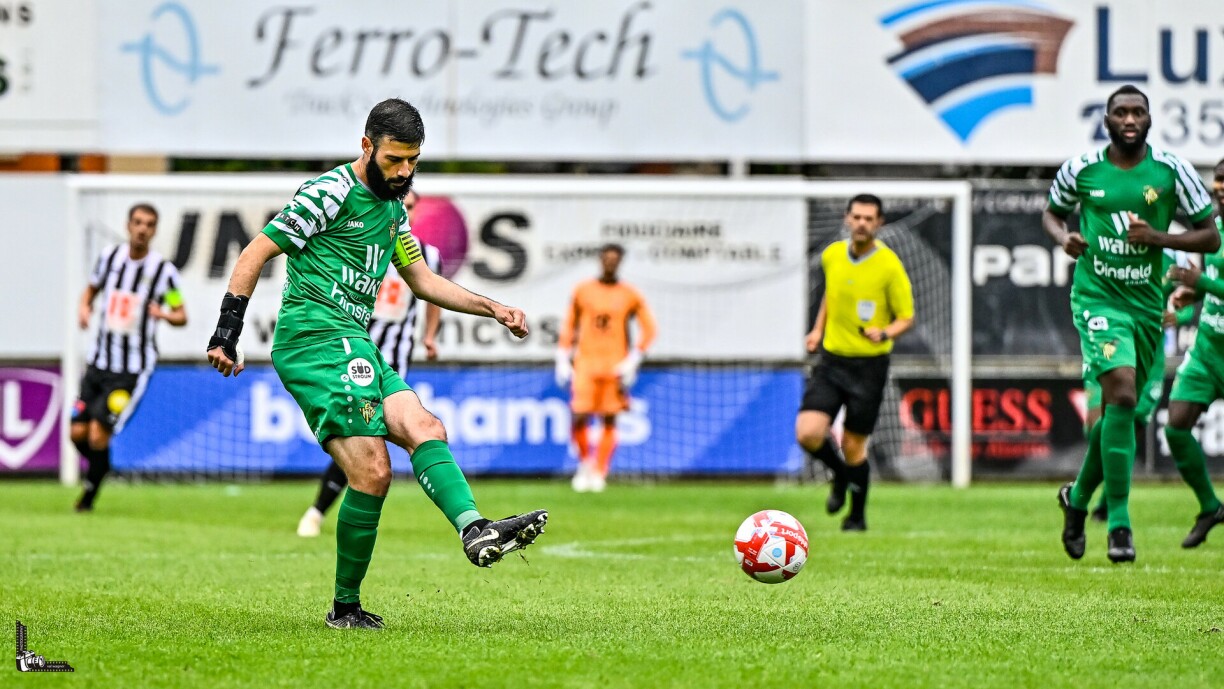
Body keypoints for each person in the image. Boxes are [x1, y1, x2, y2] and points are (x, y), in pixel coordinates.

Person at [206, 98, 547, 630]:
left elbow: (423, 281)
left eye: (413, 160)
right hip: (314, 342)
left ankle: (473, 528)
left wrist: (493, 308)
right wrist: (227, 331)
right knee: (373, 469)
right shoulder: (329, 193)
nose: (405, 171)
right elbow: (254, 253)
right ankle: (344, 606)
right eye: (395, 159)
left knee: (425, 427)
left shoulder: (394, 209)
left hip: (353, 344)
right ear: (367, 146)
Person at [1046, 85, 1219, 564]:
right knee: (1120, 392)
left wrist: (1159, 236)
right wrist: (1065, 237)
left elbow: (1208, 234)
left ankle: (1078, 499)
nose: (1128, 118)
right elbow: (1051, 213)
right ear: (1106, 120)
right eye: (1120, 111)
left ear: (1148, 120)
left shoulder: (1171, 170)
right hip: (1097, 297)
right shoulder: (1081, 169)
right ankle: (1119, 525)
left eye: (1137, 111)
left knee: (1121, 410)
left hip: (1146, 306)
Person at [297, 189, 443, 538]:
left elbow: (431, 295)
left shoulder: (425, 255)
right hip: (352, 355)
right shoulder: (363, 242)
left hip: (392, 362)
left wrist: (430, 335)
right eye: (400, 204)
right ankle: (318, 512)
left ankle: (318, 512)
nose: (402, 210)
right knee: (359, 436)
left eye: (409, 207)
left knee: (371, 435)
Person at [796, 194, 914, 532]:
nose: (862, 223)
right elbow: (831, 296)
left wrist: (886, 330)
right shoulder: (833, 255)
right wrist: (817, 330)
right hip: (832, 361)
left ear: (880, 224)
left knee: (853, 445)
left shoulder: (889, 265)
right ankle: (840, 474)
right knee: (808, 433)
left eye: (869, 218)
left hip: (869, 367)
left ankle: (857, 517)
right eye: (857, 217)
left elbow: (906, 317)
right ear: (847, 219)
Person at [71, 203, 187, 511]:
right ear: (128, 225)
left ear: (154, 230)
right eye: (137, 222)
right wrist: (84, 307)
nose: (142, 229)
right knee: (77, 432)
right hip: (98, 362)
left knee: (97, 433)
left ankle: (88, 497)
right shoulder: (110, 258)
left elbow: (180, 314)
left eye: (149, 224)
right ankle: (101, 467)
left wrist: (162, 312)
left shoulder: (163, 273)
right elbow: (91, 290)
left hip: (130, 371)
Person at [1084, 249, 1195, 522]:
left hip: (1149, 354)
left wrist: (1176, 316)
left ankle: (1107, 499)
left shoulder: (1171, 261)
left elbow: (1190, 301)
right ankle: (1087, 496)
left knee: (1129, 422)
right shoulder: (1110, 247)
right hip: (1111, 344)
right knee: (1096, 424)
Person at [555, 244, 657, 493]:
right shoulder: (583, 290)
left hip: (615, 364)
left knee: (609, 418)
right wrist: (562, 355)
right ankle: (585, 464)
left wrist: (633, 359)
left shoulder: (630, 294)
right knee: (579, 415)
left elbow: (650, 329)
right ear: (600, 259)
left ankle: (600, 471)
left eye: (615, 259)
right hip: (586, 363)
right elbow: (570, 324)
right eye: (607, 258)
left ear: (620, 261)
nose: (610, 263)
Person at [1160, 156, 1224, 548]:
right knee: (1177, 425)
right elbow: (1214, 279)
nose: (1221, 187)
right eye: (1218, 180)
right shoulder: (1213, 228)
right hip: (1207, 352)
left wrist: (1202, 281)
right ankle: (1210, 506)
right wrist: (1192, 292)